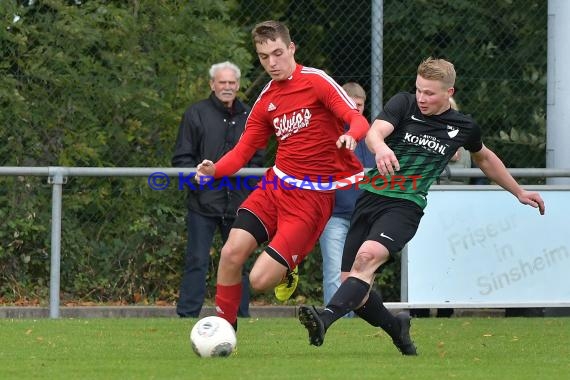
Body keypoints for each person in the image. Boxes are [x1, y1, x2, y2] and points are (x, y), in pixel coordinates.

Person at [298, 57, 545, 355]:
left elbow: (485, 158)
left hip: (406, 204)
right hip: (370, 197)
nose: (422, 98)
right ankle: (397, 328)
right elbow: (374, 133)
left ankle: (324, 319)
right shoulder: (404, 103)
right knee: (353, 286)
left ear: (449, 93)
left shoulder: (463, 126)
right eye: (419, 90)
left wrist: (518, 191)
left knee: (367, 257)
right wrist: (382, 148)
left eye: (430, 93)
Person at [194, 20, 370, 330]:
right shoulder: (266, 100)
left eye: (277, 53)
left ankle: (289, 266)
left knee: (260, 281)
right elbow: (242, 151)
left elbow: (356, 119)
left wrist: (351, 136)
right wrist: (215, 170)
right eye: (263, 57)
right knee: (231, 252)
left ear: (291, 48)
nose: (272, 63)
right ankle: (224, 330)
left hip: (311, 200)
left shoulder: (316, 81)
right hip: (275, 186)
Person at [172, 61, 265, 318]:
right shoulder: (196, 114)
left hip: (239, 204)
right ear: (212, 84)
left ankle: (239, 314)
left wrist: (249, 188)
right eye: (222, 82)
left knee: (238, 260)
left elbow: (258, 158)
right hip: (202, 203)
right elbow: (181, 158)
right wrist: (195, 179)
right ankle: (187, 314)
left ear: (238, 85)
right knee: (197, 260)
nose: (227, 87)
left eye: (231, 83)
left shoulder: (250, 115)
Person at [319, 82, 375, 317]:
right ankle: (335, 321)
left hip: (364, 215)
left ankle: (364, 321)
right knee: (335, 272)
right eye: (350, 105)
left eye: (359, 105)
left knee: (362, 273)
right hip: (334, 214)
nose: (355, 109)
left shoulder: (374, 135)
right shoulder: (327, 131)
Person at [410, 96, 469, 319]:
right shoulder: (418, 139)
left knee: (449, 256)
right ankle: (419, 307)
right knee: (422, 255)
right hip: (423, 207)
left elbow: (473, 177)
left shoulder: (465, 140)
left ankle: (446, 306)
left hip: (453, 212)